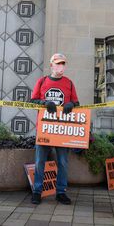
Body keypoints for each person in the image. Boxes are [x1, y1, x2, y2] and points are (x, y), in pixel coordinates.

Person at [29, 53, 79, 205]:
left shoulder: (69, 83)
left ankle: (61, 192)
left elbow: (76, 103)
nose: (61, 66)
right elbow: (32, 101)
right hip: (44, 128)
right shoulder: (42, 81)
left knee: (63, 161)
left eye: (63, 64)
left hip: (62, 131)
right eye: (57, 64)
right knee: (40, 161)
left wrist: (72, 105)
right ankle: (37, 191)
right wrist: (44, 102)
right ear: (51, 65)